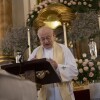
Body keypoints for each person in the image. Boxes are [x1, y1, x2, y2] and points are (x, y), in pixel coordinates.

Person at [28, 26, 78, 100]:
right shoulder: (36, 52)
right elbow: (29, 74)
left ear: (54, 36)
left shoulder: (64, 49)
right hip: (45, 93)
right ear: (39, 39)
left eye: (48, 38)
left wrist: (58, 67)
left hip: (61, 94)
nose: (46, 41)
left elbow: (74, 70)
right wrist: (32, 66)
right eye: (42, 39)